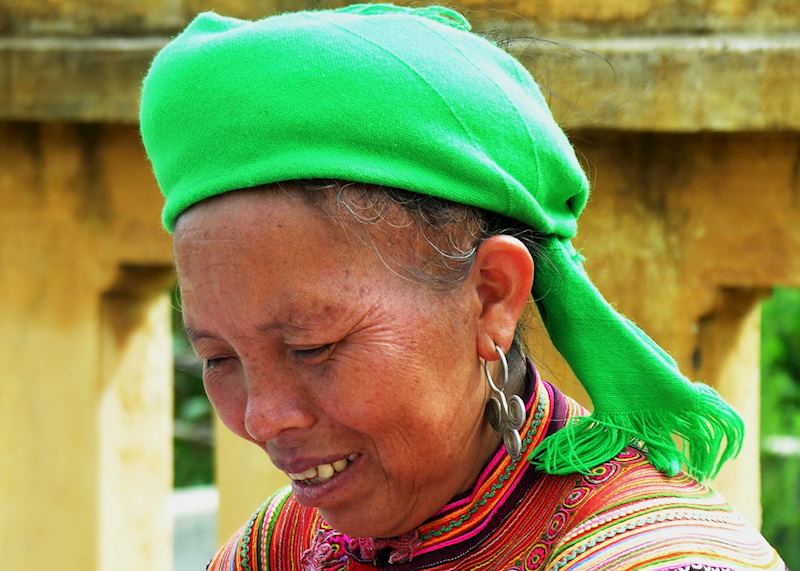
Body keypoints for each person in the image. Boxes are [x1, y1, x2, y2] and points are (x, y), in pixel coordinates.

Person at [140, 4, 786, 570]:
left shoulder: (659, 558)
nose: (261, 416)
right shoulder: (284, 543)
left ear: (491, 295)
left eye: (312, 347)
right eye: (219, 358)